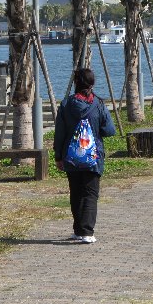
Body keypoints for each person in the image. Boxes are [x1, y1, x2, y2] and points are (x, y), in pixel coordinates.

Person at [54, 68, 116, 244]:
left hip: (71, 156)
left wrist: (58, 156)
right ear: (92, 84)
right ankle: (87, 232)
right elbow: (110, 130)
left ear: (76, 83)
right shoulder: (98, 104)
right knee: (90, 193)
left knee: (76, 192)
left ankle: (78, 230)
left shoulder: (66, 105)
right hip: (93, 156)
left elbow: (60, 133)